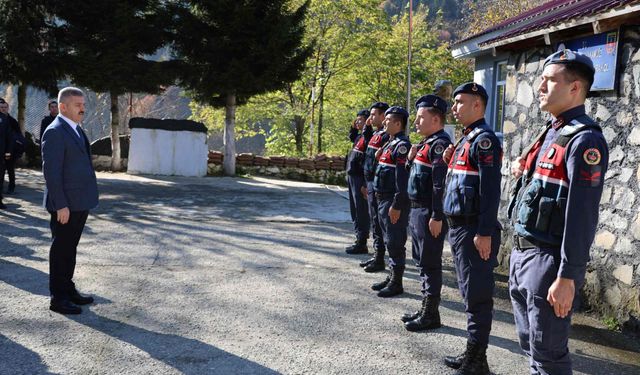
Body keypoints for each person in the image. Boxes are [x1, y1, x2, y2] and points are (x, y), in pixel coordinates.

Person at [508, 50, 608, 375]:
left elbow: (582, 217)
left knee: (549, 355)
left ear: (575, 88)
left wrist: (568, 277)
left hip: (548, 263)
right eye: (541, 79)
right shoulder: (551, 131)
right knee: (532, 347)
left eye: (550, 80)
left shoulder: (585, 140)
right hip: (524, 255)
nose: (540, 86)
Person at [442, 82, 502, 375]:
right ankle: (474, 355)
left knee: (477, 295)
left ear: (478, 105)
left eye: (460, 102)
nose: (454, 108)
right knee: (468, 292)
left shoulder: (484, 140)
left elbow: (491, 192)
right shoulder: (466, 140)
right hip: (459, 227)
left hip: (473, 228)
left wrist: (484, 232)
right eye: (454, 102)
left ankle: (477, 360)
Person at [42, 87, 99, 315]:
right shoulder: (55, 131)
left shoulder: (75, 129)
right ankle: (58, 298)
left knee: (70, 248)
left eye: (83, 104)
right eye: (77, 105)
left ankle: (68, 288)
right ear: (63, 107)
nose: (82, 108)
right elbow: (52, 173)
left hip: (79, 201)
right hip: (65, 205)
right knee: (61, 251)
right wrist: (61, 204)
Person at [401, 94, 452, 331]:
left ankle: (431, 313)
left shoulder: (439, 144)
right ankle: (425, 307)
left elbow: (439, 185)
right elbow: (416, 178)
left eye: (421, 118)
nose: (416, 123)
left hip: (428, 212)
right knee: (421, 261)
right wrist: (410, 160)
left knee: (430, 263)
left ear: (435, 119)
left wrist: (437, 215)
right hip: (416, 209)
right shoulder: (425, 143)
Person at [370, 106, 411, 297]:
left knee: (395, 241)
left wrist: (397, 205)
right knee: (388, 239)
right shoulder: (390, 143)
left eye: (388, 120)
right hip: (381, 198)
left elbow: (402, 182)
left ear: (397, 123)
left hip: (390, 200)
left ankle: (397, 282)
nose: (384, 122)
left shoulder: (402, 145)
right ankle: (392, 276)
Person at [359, 101, 390, 272]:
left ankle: (380, 258)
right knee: (374, 221)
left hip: (378, 184)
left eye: (373, 115)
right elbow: (368, 155)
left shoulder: (386, 136)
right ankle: (377, 255)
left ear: (383, 116)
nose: (370, 118)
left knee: (379, 223)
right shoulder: (377, 134)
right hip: (369, 182)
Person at [345, 109, 372, 254]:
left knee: (361, 211)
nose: (357, 122)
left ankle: (362, 242)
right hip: (352, 176)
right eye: (356, 120)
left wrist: (365, 183)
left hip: (360, 178)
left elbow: (369, 161)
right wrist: (353, 126)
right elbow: (351, 136)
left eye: (360, 119)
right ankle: (358, 238)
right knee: (355, 210)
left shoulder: (369, 137)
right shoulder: (359, 136)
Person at [0, 101, 25, 194]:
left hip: (11, 149)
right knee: (1, 170)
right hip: (1, 149)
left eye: (5, 107)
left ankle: (11, 187)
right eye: (1, 107)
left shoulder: (12, 121)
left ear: (8, 108)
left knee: (10, 168)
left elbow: (19, 135)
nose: (3, 109)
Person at [0, 99, 12, 209]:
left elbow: (9, 137)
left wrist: (8, 151)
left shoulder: (4, 119)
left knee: (0, 176)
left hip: (1, 152)